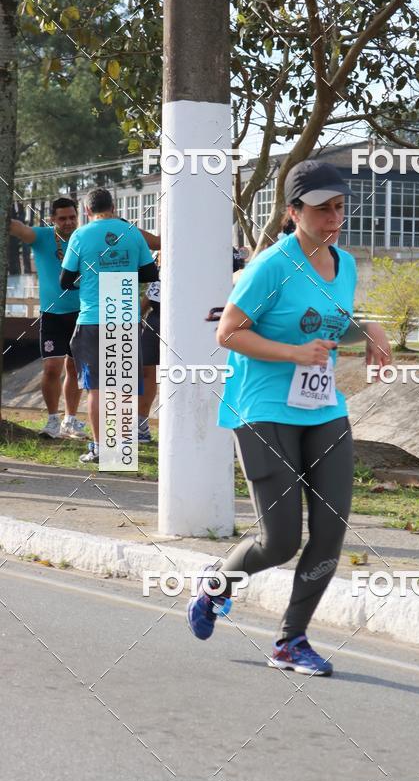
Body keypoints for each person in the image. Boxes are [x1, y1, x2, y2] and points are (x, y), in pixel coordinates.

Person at [187, 160, 391, 676]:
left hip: (322, 409)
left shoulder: (344, 265)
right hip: (263, 410)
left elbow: (333, 323)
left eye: (340, 207)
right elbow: (228, 333)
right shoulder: (271, 266)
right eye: (322, 208)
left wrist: (368, 332)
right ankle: (218, 583)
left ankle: (290, 641)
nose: (333, 217)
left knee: (331, 531)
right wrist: (293, 353)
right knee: (280, 541)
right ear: (293, 211)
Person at [60, 188, 158, 463]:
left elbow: (65, 281)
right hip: (124, 312)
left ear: (88, 211)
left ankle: (102, 448)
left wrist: (90, 276)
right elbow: (151, 273)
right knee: (123, 385)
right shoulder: (132, 232)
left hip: (93, 317)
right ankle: (123, 448)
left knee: (98, 388)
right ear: (113, 207)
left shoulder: (80, 235)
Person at [10, 198, 87, 440]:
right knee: (51, 368)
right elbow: (15, 227)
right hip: (52, 314)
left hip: (82, 313)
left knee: (74, 368)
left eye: (72, 217)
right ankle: (53, 419)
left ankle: (70, 420)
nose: (68, 222)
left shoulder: (85, 237)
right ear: (53, 219)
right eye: (62, 218)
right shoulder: (41, 236)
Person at [139, 253, 160, 443]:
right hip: (155, 320)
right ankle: (141, 425)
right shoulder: (159, 264)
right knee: (146, 370)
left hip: (184, 322)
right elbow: (148, 299)